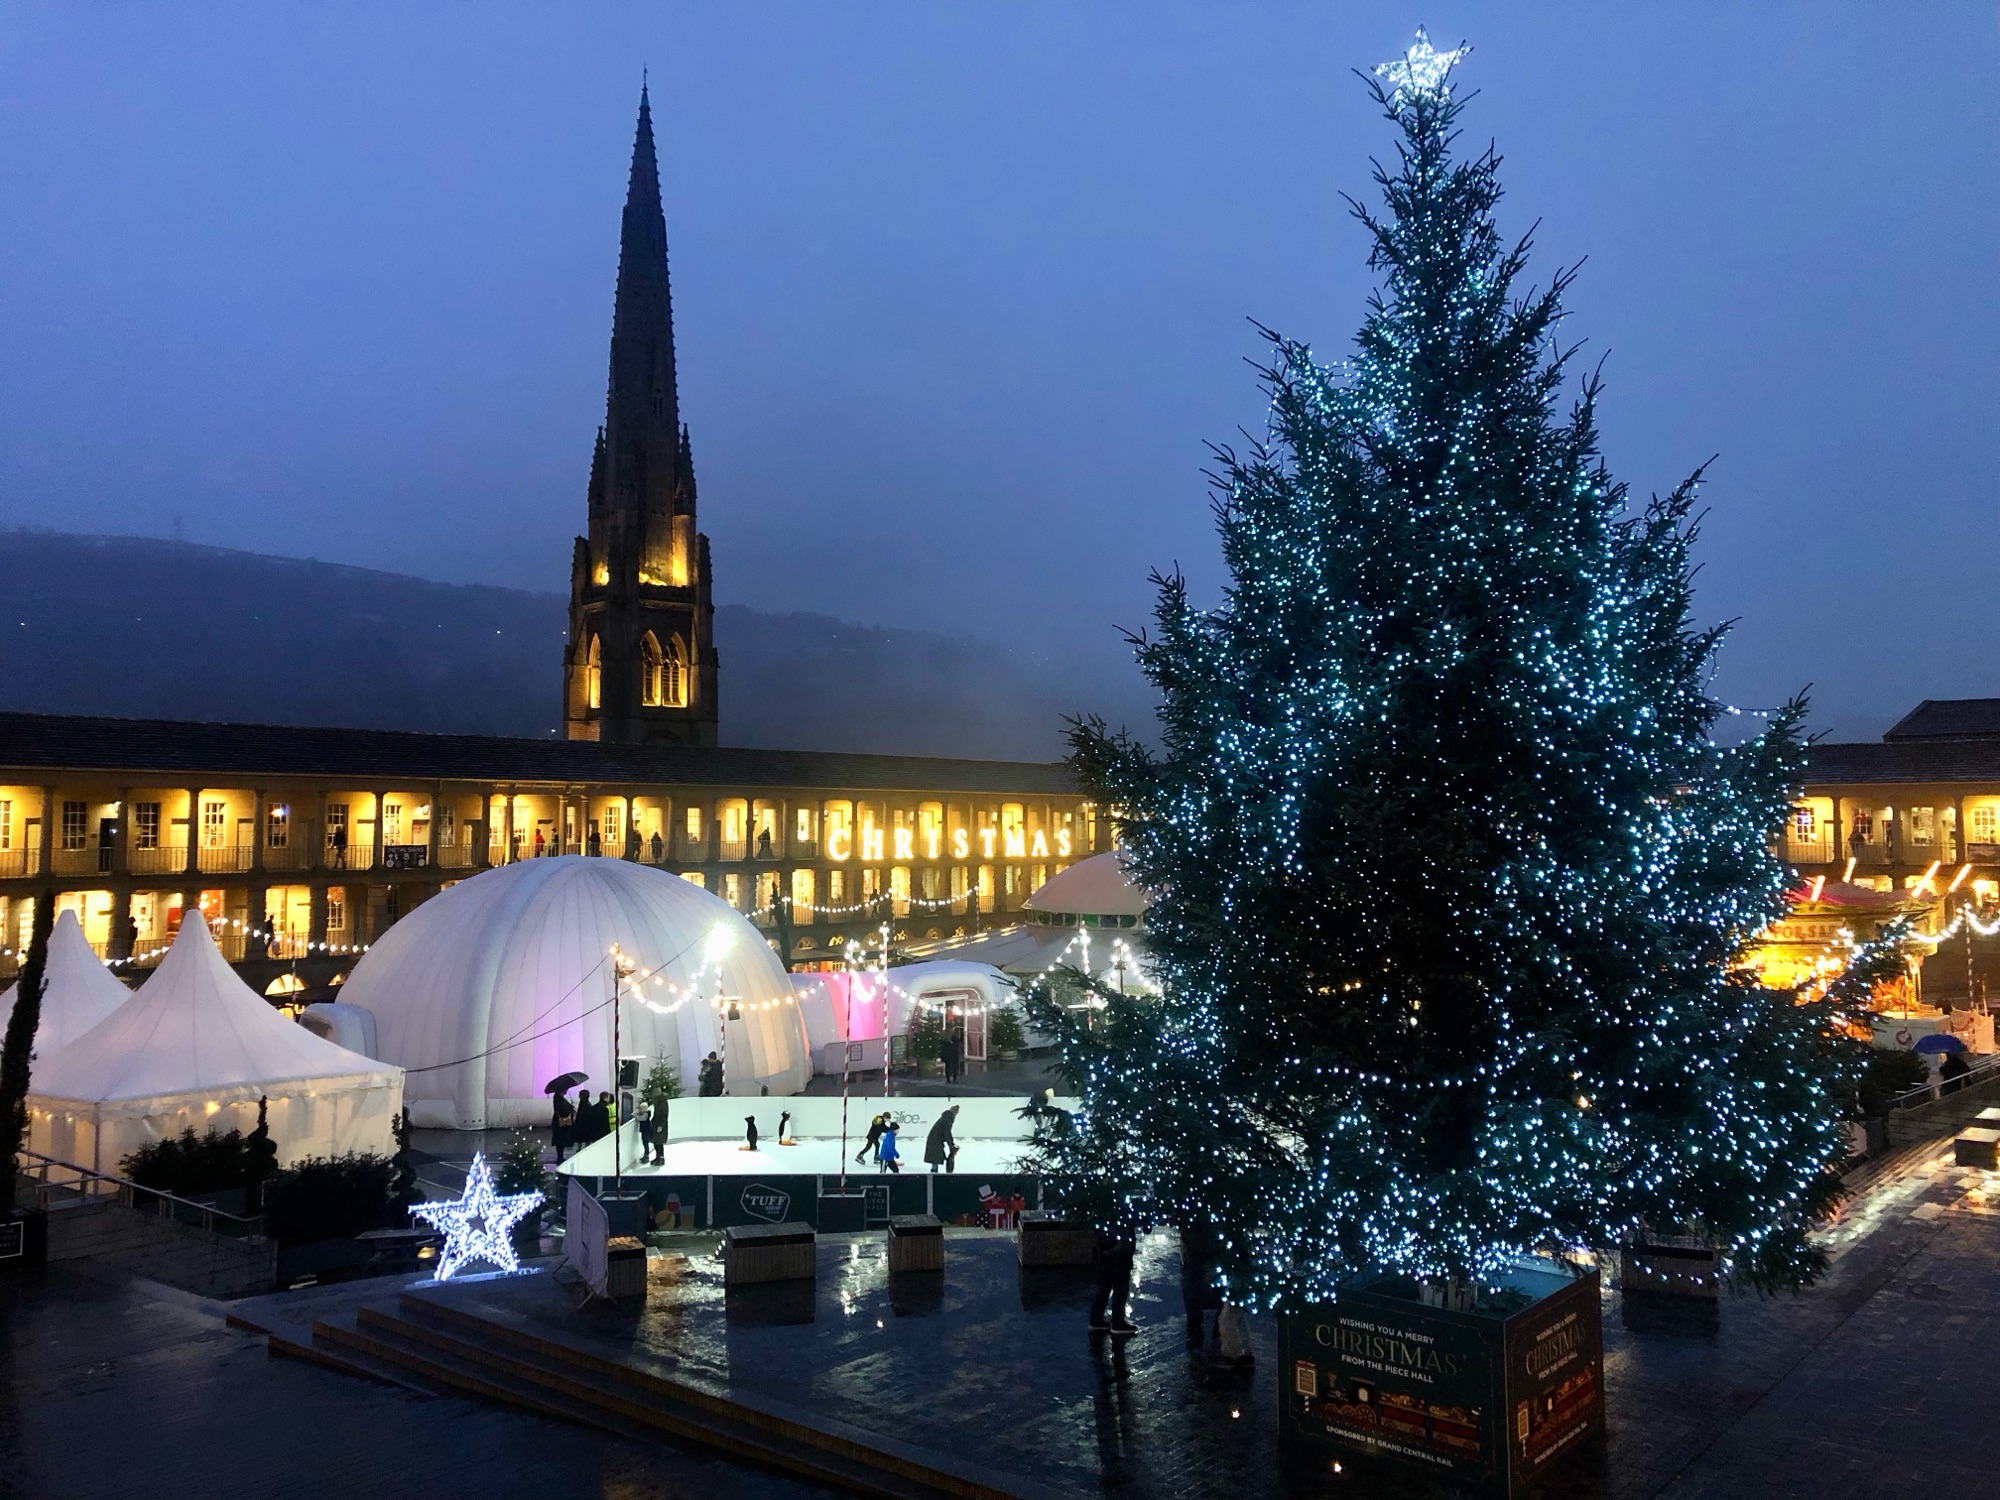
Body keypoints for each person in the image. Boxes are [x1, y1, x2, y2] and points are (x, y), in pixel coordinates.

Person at [1179, 1224, 1222, 1356]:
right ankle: (1209, 1332)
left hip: (1198, 1249)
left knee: (1193, 1289)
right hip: (1201, 1248)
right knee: (1196, 1288)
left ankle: (1197, 1335)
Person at [1090, 1226, 1137, 1338]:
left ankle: (1096, 1320)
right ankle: (1118, 1322)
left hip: (1106, 1246)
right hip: (1119, 1250)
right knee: (1120, 1286)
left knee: (1105, 1285)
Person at [924, 1106, 960, 1175]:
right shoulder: (947, 1119)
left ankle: (934, 1171)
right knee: (936, 1156)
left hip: (934, 1140)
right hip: (935, 1141)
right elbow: (947, 1133)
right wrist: (951, 1145)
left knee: (936, 1156)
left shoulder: (946, 1118)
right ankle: (934, 1173)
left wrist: (951, 1144)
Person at [551, 1088, 576, 1164]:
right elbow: (562, 1110)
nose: (566, 1091)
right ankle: (560, 1158)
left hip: (559, 1124)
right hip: (560, 1124)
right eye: (565, 1089)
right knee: (560, 1141)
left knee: (561, 1141)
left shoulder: (559, 1099)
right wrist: (570, 1108)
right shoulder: (558, 1099)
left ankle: (560, 1157)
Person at [635, 1097, 656, 1164]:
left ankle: (646, 1156)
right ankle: (646, 1155)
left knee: (645, 1142)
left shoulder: (646, 1114)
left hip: (646, 1130)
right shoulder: (645, 1113)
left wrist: (635, 1115)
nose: (640, 1110)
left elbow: (640, 1118)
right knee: (644, 1142)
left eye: (641, 1108)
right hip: (645, 1130)